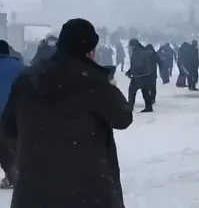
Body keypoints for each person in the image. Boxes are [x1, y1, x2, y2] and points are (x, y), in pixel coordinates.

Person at [1, 18, 132, 208]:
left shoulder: (28, 79)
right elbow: (123, 118)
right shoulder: (93, 81)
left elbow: (8, 128)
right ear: (90, 50)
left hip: (35, 187)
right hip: (87, 187)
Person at [0, 40, 25, 189]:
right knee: (15, 143)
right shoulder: (20, 67)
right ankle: (16, 172)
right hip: (17, 113)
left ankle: (11, 172)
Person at [126, 39, 154, 112]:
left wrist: (131, 72)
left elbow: (137, 65)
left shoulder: (137, 53)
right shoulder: (142, 50)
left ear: (133, 45)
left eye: (130, 45)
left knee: (132, 91)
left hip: (138, 75)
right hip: (146, 75)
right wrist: (130, 71)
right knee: (145, 92)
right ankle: (149, 107)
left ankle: (130, 106)